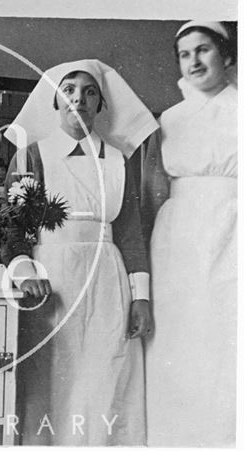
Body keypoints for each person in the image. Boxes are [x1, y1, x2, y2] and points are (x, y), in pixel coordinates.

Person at [1, 60, 158, 446]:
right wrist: (24, 270)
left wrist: (141, 298)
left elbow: (131, 234)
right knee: (51, 382)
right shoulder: (31, 157)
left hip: (107, 282)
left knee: (106, 380)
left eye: (90, 92)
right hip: (51, 283)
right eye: (69, 90)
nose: (79, 99)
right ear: (54, 100)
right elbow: (10, 228)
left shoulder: (121, 160)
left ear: (101, 104)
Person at [142, 21, 237, 447]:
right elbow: (154, 187)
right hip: (178, 236)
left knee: (224, 335)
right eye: (185, 54)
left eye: (203, 50)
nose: (194, 61)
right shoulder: (170, 119)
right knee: (180, 340)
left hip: (233, 227)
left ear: (226, 55)